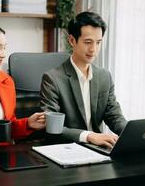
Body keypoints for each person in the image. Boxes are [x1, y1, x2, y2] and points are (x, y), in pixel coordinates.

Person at [40, 12, 127, 149]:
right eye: (88, 42)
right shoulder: (52, 79)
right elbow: (51, 128)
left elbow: (114, 117)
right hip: (67, 149)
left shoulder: (105, 76)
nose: (93, 49)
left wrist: (132, 134)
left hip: (99, 149)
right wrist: (89, 136)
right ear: (72, 40)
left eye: (98, 42)